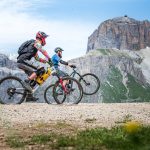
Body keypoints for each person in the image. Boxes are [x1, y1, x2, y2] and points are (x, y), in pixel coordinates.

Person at [17, 31, 52, 101]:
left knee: (34, 78)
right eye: (45, 38)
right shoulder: (36, 43)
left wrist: (45, 61)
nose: (45, 40)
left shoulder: (34, 48)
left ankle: (29, 96)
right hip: (23, 61)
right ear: (41, 38)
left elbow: (37, 58)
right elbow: (43, 51)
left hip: (21, 61)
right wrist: (49, 58)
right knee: (40, 70)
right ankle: (25, 82)